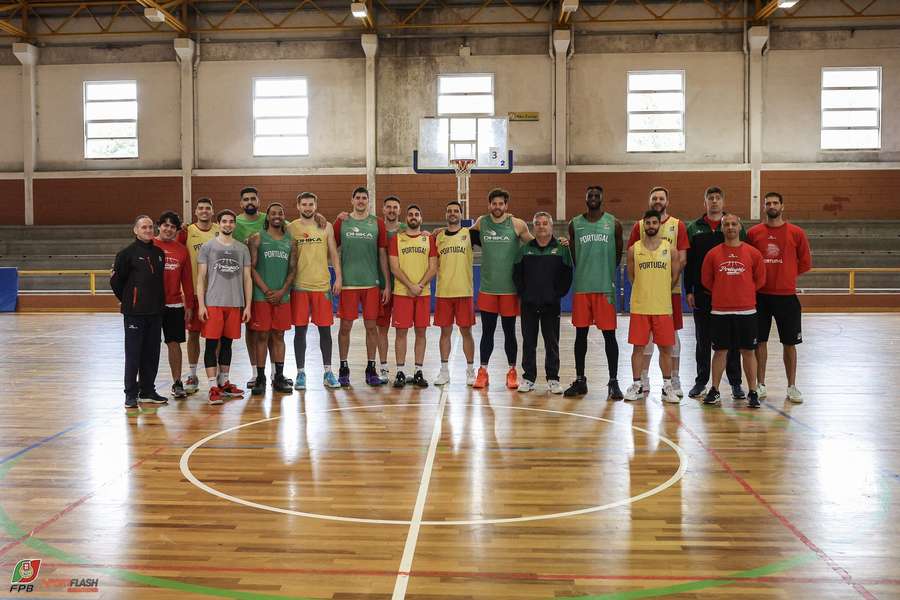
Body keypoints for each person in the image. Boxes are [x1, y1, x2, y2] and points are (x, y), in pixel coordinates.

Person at [747, 192, 812, 403]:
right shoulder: (754, 233)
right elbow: (749, 262)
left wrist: (786, 275)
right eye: (768, 203)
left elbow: (805, 263)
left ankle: (792, 386)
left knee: (789, 343)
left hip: (786, 297)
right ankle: (760, 384)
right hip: (760, 297)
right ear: (764, 207)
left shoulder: (796, 233)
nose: (772, 206)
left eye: (775, 203)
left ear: (782, 206)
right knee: (760, 342)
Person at [627, 186, 690, 397]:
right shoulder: (639, 226)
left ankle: (674, 379)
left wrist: (666, 283)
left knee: (671, 339)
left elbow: (681, 259)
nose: (657, 200)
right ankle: (642, 379)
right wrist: (647, 283)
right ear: (649, 201)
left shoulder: (677, 225)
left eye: (661, 198)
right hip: (646, 293)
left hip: (669, 291)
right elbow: (633, 269)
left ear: (667, 201)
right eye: (654, 198)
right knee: (644, 341)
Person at [684, 186, 746, 400]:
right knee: (702, 341)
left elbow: (743, 256)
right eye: (710, 198)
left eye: (718, 198)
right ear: (705, 202)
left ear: (723, 201)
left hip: (728, 295)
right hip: (702, 294)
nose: (714, 201)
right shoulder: (693, 228)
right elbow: (689, 263)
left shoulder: (732, 226)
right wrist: (689, 290)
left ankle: (736, 383)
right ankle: (701, 381)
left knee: (732, 341)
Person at [470, 188, 534, 389]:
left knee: (509, 333)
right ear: (489, 205)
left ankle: (512, 371)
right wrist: (439, 232)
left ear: (506, 205)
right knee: (487, 332)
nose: (497, 207)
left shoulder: (517, 224)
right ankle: (483, 371)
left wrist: (558, 243)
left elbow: (535, 245)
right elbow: (464, 236)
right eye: (494, 204)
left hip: (509, 290)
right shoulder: (482, 222)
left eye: (501, 204)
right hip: (488, 288)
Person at [565, 185, 624, 400]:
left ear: (602, 198)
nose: (592, 198)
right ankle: (581, 380)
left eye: (596, 195)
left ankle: (613, 382)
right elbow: (573, 255)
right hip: (582, 287)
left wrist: (605, 272)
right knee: (581, 335)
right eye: (589, 195)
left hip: (604, 289)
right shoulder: (575, 224)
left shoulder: (614, 223)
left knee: (610, 336)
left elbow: (618, 254)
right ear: (585, 198)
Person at [700, 213, 766, 408]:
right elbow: (707, 281)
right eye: (726, 224)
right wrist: (724, 291)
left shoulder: (753, 253)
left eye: (734, 224)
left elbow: (760, 280)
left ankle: (753, 391)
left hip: (747, 311)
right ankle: (715, 390)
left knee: (748, 351)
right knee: (720, 351)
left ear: (740, 227)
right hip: (720, 311)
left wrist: (743, 291)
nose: (730, 227)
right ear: (722, 229)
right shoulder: (713, 254)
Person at [334, 186, 391, 387]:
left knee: (371, 327)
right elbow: (332, 249)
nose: (360, 201)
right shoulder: (342, 221)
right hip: (348, 284)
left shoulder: (377, 223)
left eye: (364, 198)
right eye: (357, 197)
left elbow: (383, 255)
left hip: (371, 284)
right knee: (345, 327)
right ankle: (343, 367)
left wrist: (387, 284)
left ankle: (371, 368)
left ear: (368, 201)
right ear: (352, 200)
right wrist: (337, 277)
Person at [110, 215, 167, 408]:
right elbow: (116, 282)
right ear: (135, 230)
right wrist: (129, 301)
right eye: (144, 227)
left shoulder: (160, 253)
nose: (148, 230)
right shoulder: (126, 254)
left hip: (155, 313)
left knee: (152, 353)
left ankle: (148, 390)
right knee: (134, 354)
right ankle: (130, 394)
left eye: (151, 227)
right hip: (135, 313)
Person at [512, 212, 573, 393]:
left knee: (551, 343)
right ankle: (528, 378)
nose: (541, 226)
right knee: (528, 342)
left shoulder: (561, 249)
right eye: (537, 223)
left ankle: (553, 378)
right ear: (533, 227)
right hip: (529, 305)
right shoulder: (524, 249)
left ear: (551, 226)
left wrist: (557, 294)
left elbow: (567, 274)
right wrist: (524, 294)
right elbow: (516, 275)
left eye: (545, 223)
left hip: (551, 305)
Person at [196, 210, 252, 405]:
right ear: (218, 223)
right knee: (212, 344)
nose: (228, 224)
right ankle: (212, 386)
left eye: (231, 221)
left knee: (227, 344)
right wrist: (201, 304)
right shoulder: (208, 247)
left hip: (235, 304)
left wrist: (248, 306)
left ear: (234, 225)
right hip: (213, 304)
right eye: (224, 221)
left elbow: (247, 278)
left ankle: (224, 382)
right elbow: (201, 278)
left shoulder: (242, 249)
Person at [287, 192, 342, 390]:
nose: (308, 207)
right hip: (299, 286)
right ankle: (301, 373)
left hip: (322, 286)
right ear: (298, 206)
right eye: (304, 204)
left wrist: (339, 278)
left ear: (316, 206)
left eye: (311, 204)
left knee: (325, 331)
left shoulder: (325, 226)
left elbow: (334, 254)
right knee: (299, 331)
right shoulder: (290, 227)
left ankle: (328, 372)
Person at [248, 203, 297, 395]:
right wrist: (267, 290)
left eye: (280, 212)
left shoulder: (290, 242)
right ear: (267, 217)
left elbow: (293, 270)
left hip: (282, 297)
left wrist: (282, 291)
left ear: (284, 217)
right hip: (262, 296)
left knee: (279, 336)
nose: (277, 215)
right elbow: (251, 267)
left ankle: (278, 376)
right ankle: (260, 377)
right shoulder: (257, 239)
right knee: (261, 336)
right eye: (273, 213)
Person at [388, 204, 438, 388]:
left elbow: (433, 267)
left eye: (417, 214)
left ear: (421, 218)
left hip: (422, 293)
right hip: (402, 293)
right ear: (406, 218)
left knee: (421, 332)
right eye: (410, 214)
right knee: (401, 332)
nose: (413, 217)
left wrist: (420, 286)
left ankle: (418, 371)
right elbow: (394, 267)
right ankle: (400, 371)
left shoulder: (429, 239)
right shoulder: (397, 239)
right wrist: (410, 285)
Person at [433, 201, 478, 386]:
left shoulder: (469, 234)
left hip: (464, 292)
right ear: (446, 214)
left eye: (456, 211)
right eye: (449, 211)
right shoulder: (438, 237)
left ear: (461, 214)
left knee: (466, 332)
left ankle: (470, 371)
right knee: (445, 332)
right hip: (443, 292)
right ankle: (444, 371)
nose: (452, 213)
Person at [177, 197, 217, 394]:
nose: (204, 211)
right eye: (200, 208)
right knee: (193, 334)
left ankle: (217, 377)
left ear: (212, 211)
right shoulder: (187, 232)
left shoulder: (220, 229)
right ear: (195, 212)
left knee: (216, 336)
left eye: (207, 208)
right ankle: (192, 374)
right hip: (193, 291)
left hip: (217, 293)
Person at [154, 210, 194, 399]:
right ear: (159, 226)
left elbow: (187, 281)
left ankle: (177, 382)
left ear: (176, 230)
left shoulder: (181, 250)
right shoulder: (149, 245)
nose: (168, 229)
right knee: (149, 345)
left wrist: (189, 305)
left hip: (175, 305)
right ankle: (145, 385)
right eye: (165, 225)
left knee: (174, 343)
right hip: (152, 306)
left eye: (172, 226)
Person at [233, 187, 267, 388]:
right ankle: (255, 372)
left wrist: (319, 217)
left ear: (259, 201)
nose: (249, 202)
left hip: (270, 281)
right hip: (243, 283)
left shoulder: (268, 218)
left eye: (253, 198)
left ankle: (273, 371)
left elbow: (295, 228)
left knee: (270, 331)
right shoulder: (234, 222)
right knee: (251, 328)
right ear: (241, 203)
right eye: (245, 199)